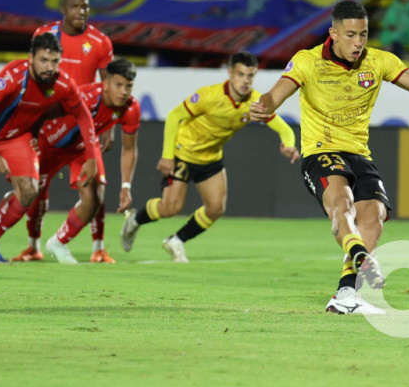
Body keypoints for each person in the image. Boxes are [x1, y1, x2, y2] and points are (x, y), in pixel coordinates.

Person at [249, 0, 409, 315]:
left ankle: (345, 295)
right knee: (342, 203)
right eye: (350, 35)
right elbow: (275, 95)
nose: (358, 42)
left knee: (373, 217)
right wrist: (263, 106)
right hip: (321, 152)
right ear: (333, 33)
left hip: (359, 154)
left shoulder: (379, 61)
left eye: (363, 34)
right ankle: (360, 255)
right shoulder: (307, 62)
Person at [120, 51, 300, 263]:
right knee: (170, 208)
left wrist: (289, 145)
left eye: (250, 76)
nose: (246, 81)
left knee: (215, 208)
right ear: (230, 73)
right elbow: (175, 116)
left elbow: (283, 128)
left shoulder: (254, 102)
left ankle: (176, 241)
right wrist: (167, 156)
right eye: (241, 74)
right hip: (183, 154)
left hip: (211, 158)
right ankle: (135, 219)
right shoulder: (209, 95)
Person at [0, 33, 104, 263]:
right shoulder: (13, 76)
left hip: (17, 138)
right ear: (30, 58)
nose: (50, 67)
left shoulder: (62, 83)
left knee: (28, 190)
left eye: (55, 61)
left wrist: (92, 156)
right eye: (44, 60)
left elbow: (84, 116)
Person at [12, 58, 141, 264]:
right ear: (105, 83)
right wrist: (32, 137)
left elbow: (129, 149)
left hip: (83, 149)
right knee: (30, 192)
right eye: (119, 85)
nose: (124, 92)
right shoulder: (86, 97)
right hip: (50, 145)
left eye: (129, 86)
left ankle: (58, 241)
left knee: (94, 196)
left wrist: (126, 186)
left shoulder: (131, 108)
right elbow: (44, 109)